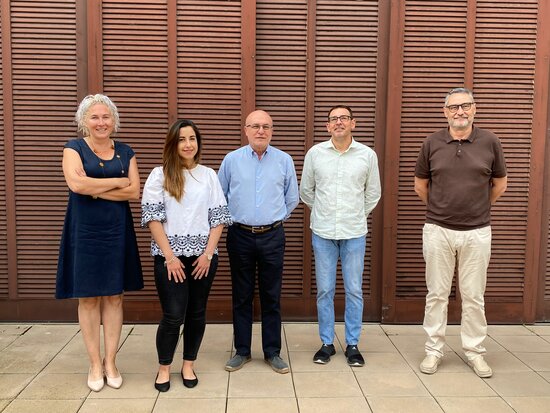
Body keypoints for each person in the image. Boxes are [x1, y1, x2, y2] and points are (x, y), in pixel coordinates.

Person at [414, 87, 507, 378]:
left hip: (477, 232)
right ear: (445, 112)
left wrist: (475, 208)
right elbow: (421, 185)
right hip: (438, 230)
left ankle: (475, 352)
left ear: (474, 109)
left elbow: (500, 184)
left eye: (465, 106)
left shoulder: (490, 142)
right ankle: (433, 351)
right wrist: (443, 209)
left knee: (474, 296)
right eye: (453, 107)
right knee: (437, 295)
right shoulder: (432, 143)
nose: (460, 112)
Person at [56, 94, 143, 392]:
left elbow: (134, 192)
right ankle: (94, 363)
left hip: (116, 230)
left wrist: (95, 188)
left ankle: (111, 361)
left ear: (114, 121)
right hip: (84, 231)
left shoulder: (126, 151)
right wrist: (116, 182)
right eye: (94, 117)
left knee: (115, 296)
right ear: (84, 121)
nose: (101, 122)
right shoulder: (74, 148)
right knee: (89, 298)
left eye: (106, 117)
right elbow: (76, 184)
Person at [141, 119, 232, 392]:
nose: (188, 144)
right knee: (173, 315)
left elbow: (219, 218)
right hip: (170, 258)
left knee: (196, 313)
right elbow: (153, 218)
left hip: (203, 258)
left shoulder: (208, 175)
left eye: (192, 138)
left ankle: (189, 364)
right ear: (173, 143)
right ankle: (164, 367)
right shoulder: (159, 175)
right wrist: (169, 257)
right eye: (182, 139)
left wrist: (207, 254)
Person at [218, 110, 299, 374]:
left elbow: (292, 198)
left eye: (266, 126)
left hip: (273, 236)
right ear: (246, 129)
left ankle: (272, 352)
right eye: (255, 126)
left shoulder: (284, 160)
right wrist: (238, 220)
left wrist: (273, 219)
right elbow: (220, 196)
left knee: (271, 296)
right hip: (239, 235)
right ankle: (242, 351)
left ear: (272, 130)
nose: (260, 131)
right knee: (241, 295)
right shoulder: (231, 160)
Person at [300, 105, 381, 367]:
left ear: (353, 123)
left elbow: (373, 194)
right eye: (333, 119)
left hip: (354, 233)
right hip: (323, 233)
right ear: (327, 126)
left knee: (354, 290)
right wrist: (326, 213)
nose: (338, 123)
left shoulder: (367, 155)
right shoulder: (315, 154)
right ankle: (326, 343)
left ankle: (352, 344)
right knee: (325, 290)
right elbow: (306, 192)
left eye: (343, 118)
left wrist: (355, 214)